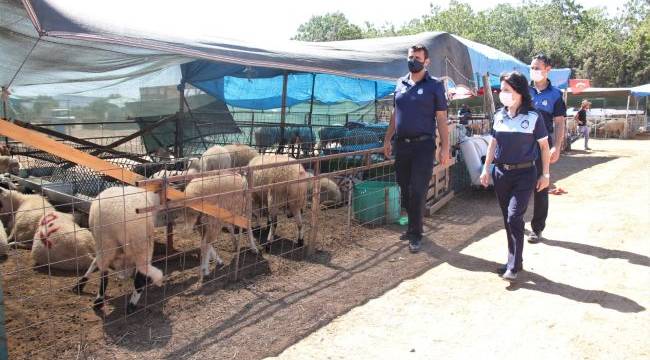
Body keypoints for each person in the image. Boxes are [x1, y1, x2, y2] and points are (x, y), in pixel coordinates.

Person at [480, 71, 551, 281]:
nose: (502, 94)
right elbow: (493, 144)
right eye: (501, 90)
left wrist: (545, 174)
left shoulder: (533, 117)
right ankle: (514, 261)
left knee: (514, 217)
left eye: (506, 90)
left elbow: (545, 148)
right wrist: (486, 168)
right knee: (508, 220)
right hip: (501, 173)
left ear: (519, 92)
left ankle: (513, 265)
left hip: (525, 174)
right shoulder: (499, 116)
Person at [383, 44, 450, 253]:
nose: (413, 60)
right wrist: (387, 139)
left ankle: (416, 233)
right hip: (402, 145)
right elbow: (396, 113)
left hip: (424, 144)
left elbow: (441, 118)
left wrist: (444, 147)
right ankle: (413, 226)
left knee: (418, 189)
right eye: (411, 57)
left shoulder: (435, 85)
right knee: (404, 187)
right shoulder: (400, 83)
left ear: (426, 61)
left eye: (418, 57)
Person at [527, 54, 566, 243]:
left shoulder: (556, 95)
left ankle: (537, 228)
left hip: (543, 146)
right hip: (521, 145)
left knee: (541, 186)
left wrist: (556, 147)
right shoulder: (523, 90)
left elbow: (559, 123)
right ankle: (514, 221)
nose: (534, 70)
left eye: (537, 67)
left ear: (548, 69)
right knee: (518, 183)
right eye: (532, 67)